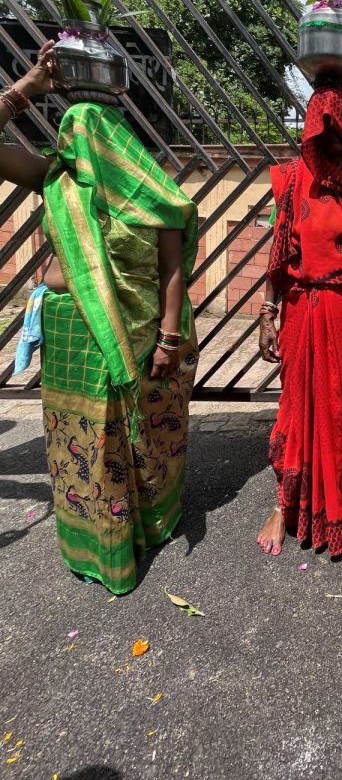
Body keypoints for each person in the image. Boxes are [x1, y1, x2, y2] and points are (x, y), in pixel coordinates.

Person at [0, 40, 198, 594]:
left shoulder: (151, 195)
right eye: (67, 134)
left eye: (81, 135)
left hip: (134, 332)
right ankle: (97, 544)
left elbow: (172, 270)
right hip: (70, 333)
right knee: (80, 440)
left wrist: (168, 338)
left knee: (129, 438)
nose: (71, 143)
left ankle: (141, 530)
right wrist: (27, 90)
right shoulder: (57, 183)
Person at [256, 82, 342, 558]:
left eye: (340, 127)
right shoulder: (293, 179)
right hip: (303, 312)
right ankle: (285, 505)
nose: (332, 138)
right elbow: (278, 251)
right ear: (311, 130)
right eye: (323, 127)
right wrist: (267, 312)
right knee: (299, 409)